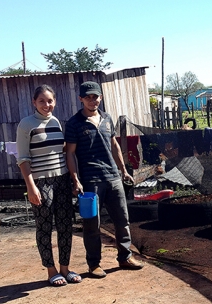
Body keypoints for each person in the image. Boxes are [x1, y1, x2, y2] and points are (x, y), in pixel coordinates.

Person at [64, 81, 144, 277]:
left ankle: (125, 257)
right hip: (91, 181)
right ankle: (94, 264)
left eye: (96, 97)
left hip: (113, 178)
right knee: (92, 224)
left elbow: (114, 145)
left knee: (122, 220)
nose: (93, 101)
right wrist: (76, 180)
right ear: (81, 99)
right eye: (88, 97)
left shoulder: (107, 118)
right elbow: (70, 154)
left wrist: (123, 170)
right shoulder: (74, 123)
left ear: (100, 97)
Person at [17, 84, 81, 286]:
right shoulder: (26, 125)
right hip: (40, 182)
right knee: (44, 227)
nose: (46, 104)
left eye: (50, 100)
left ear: (55, 102)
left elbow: (61, 153)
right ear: (34, 102)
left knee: (65, 226)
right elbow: (23, 159)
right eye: (42, 101)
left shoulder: (55, 122)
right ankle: (51, 271)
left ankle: (65, 268)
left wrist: (72, 178)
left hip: (61, 180)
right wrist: (31, 187)